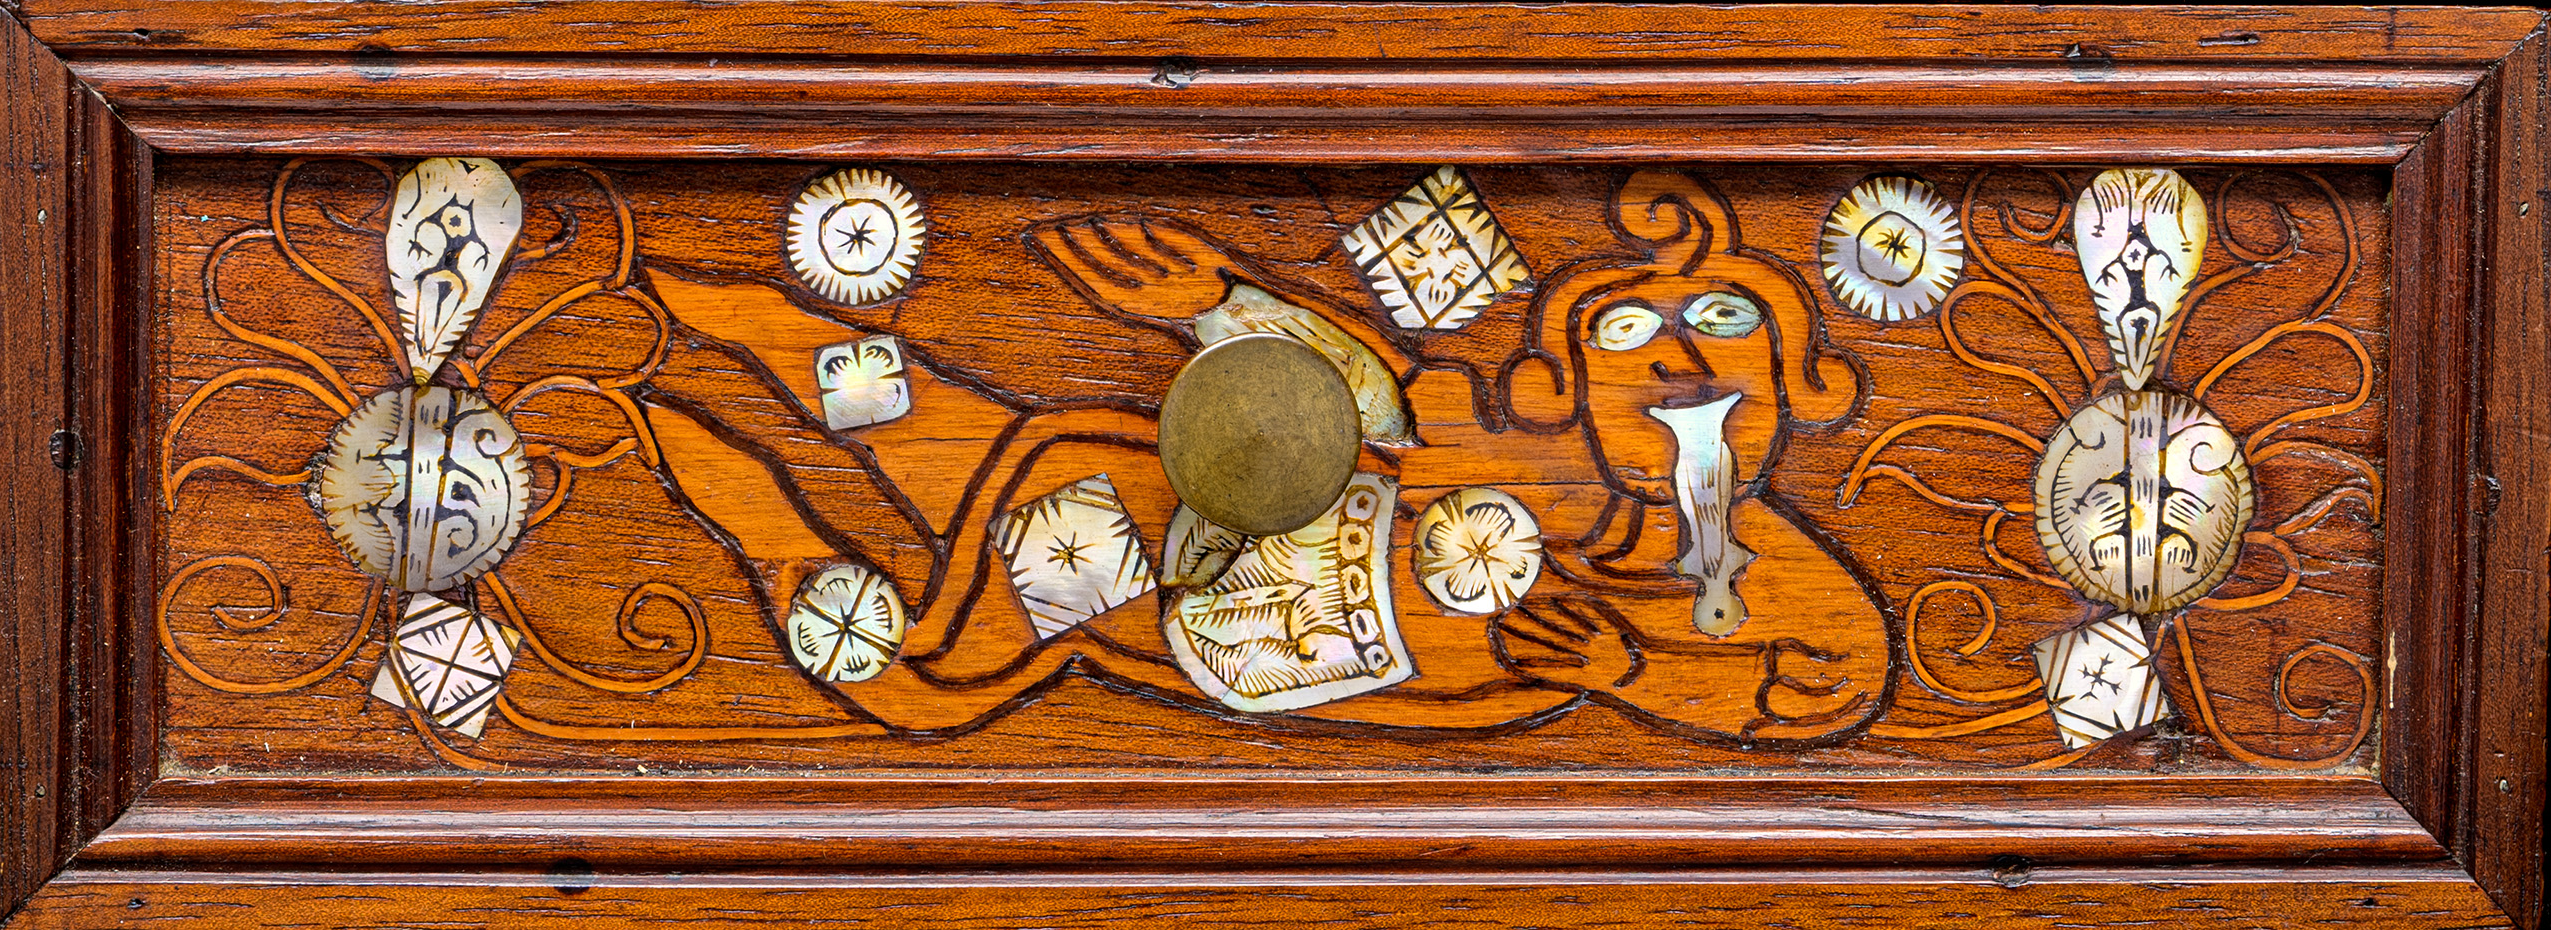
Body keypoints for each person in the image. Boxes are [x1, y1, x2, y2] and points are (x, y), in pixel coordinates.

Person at [649, 169, 1895, 744]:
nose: (1679, 362)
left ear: (1804, 381)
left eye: (1727, 326)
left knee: (917, 666)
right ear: (1566, 376)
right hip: (1189, 530)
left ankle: (726, 484)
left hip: (1195, 628)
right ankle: (667, 300)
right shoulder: (1519, 440)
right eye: (1631, 332)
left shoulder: (1771, 560)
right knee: (926, 426)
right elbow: (1387, 396)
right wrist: (1220, 297)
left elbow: (1832, 684)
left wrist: (1635, 671)